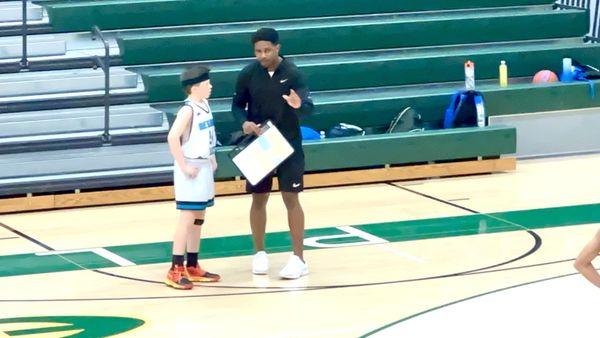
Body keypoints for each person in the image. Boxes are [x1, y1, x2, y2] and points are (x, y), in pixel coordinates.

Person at [232, 27, 314, 279]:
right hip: (261, 145)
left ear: (278, 47)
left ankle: (299, 259)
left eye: (267, 50)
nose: (262, 55)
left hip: (288, 144)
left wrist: (300, 106)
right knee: (259, 198)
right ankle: (259, 253)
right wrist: (244, 122)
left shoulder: (293, 74)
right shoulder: (248, 74)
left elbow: (308, 108)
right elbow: (236, 105)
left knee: (291, 198)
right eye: (258, 51)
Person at [165, 65, 221, 290]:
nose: (211, 86)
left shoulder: (205, 105)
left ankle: (193, 263)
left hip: (204, 165)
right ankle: (175, 267)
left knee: (199, 216)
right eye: (207, 83)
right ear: (195, 87)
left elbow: (209, 135)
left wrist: (213, 157)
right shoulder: (187, 110)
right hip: (190, 168)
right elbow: (172, 138)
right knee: (187, 217)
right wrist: (184, 166)